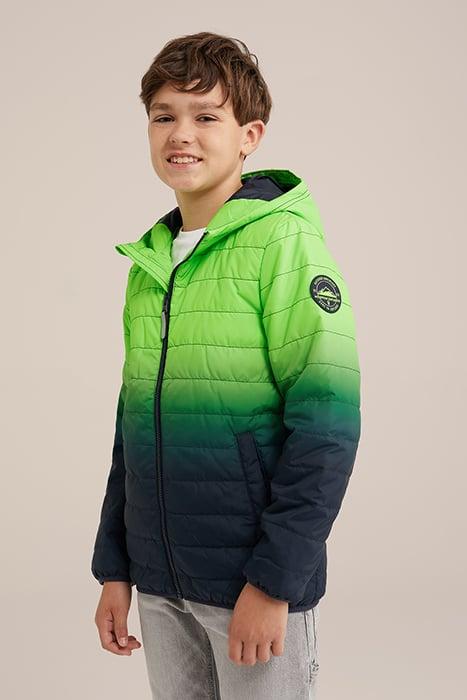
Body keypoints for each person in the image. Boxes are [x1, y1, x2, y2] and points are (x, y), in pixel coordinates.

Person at [91, 31, 361, 699]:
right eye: (163, 116)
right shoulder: (151, 265)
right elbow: (135, 429)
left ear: (249, 136)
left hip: (251, 584)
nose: (180, 134)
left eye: (206, 116)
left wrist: (274, 582)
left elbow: (326, 428)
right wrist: (115, 567)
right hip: (159, 583)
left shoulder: (284, 245)